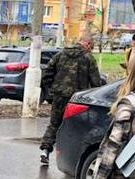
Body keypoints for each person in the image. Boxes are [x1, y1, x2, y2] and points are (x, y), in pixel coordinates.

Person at [40, 33, 101, 165]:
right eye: (92, 46)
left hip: (59, 96)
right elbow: (96, 82)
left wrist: (53, 88)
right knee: (75, 126)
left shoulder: (60, 54)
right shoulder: (88, 58)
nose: (91, 49)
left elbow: (47, 73)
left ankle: (45, 150)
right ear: (88, 44)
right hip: (78, 100)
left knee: (54, 123)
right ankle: (70, 156)